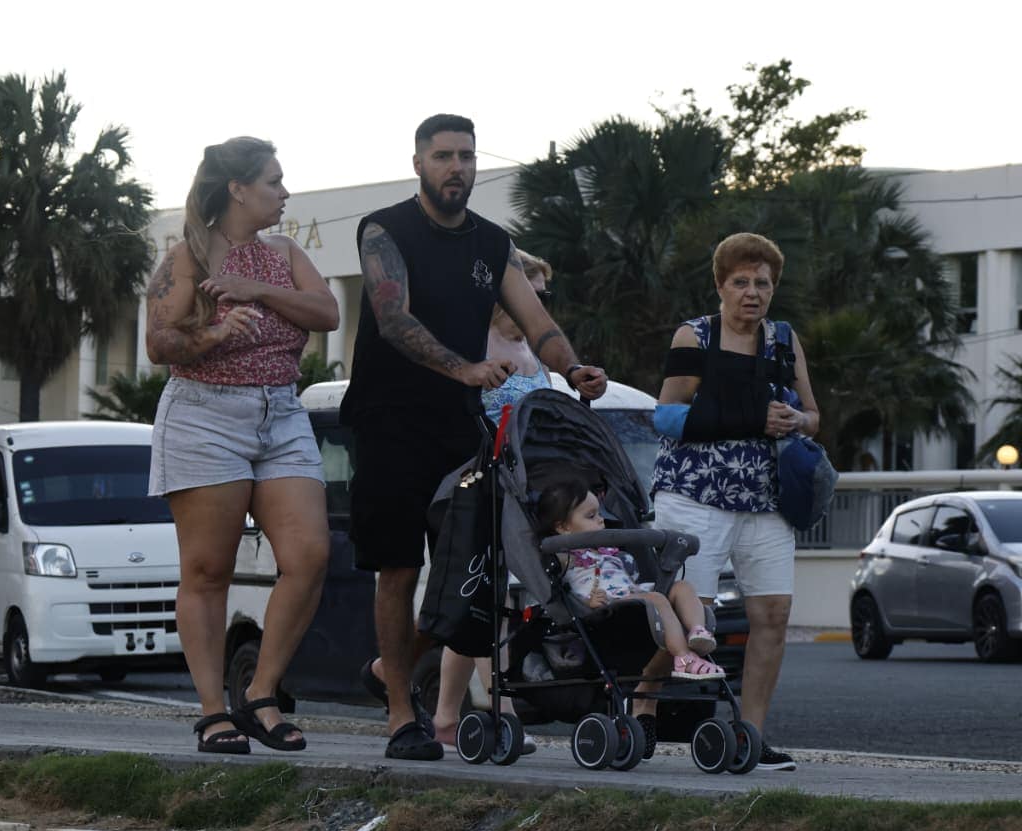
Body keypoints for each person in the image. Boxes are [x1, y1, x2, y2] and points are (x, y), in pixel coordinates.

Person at [342, 114, 607, 761]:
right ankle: (403, 716)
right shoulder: (384, 229)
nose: (455, 166)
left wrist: (572, 366)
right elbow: (392, 315)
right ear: (419, 164)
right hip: (388, 422)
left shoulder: (493, 242)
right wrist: (462, 367)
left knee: (471, 578)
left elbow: (537, 319)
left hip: (458, 428)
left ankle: (390, 671)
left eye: (465, 155)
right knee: (400, 570)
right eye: (442, 156)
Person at [145, 137, 339, 754]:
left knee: (309, 555)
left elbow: (327, 311)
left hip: (281, 411)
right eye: (273, 182)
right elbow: (159, 346)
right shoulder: (186, 258)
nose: (284, 194)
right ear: (237, 189)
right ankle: (212, 712)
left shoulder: (283, 253)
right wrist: (213, 331)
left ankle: (260, 692)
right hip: (204, 416)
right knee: (208, 570)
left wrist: (257, 293)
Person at [645, 232, 819, 771]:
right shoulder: (695, 336)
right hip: (695, 496)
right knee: (683, 615)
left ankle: (750, 734)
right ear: (721, 285)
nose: (752, 292)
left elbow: (814, 415)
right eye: (740, 282)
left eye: (762, 283)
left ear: (773, 289)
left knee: (774, 612)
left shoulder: (785, 340)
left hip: (765, 499)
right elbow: (666, 415)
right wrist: (749, 419)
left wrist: (799, 420)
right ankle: (643, 697)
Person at [430, 249, 555, 752]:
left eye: (547, 294)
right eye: (537, 293)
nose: (544, 303)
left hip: (530, 488)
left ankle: (443, 717)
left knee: (476, 603)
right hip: (480, 483)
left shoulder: (538, 350)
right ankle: (499, 708)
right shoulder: (473, 342)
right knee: (486, 596)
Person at [534, 474, 725, 680]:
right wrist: (586, 602)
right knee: (657, 598)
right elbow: (559, 586)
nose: (600, 519)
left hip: (633, 596)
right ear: (563, 527)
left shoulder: (607, 551)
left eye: (599, 513)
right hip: (608, 606)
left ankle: (697, 631)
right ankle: (683, 657)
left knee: (682, 587)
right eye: (591, 516)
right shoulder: (567, 556)